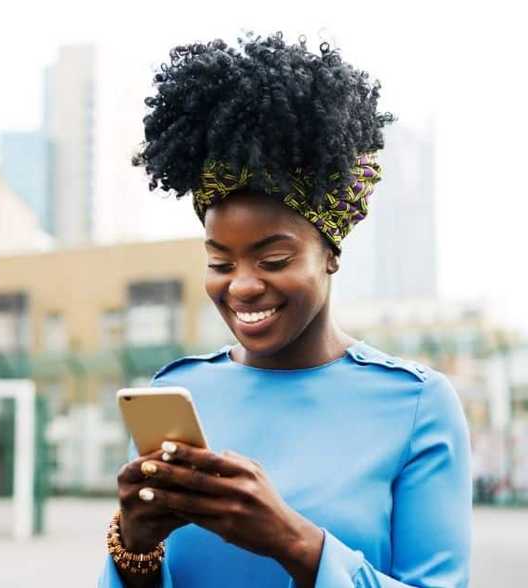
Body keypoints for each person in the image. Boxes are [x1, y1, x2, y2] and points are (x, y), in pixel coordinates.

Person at [100, 34, 470, 587]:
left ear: (331, 255)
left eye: (272, 258)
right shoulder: (180, 392)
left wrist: (293, 541)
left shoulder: (417, 405)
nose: (243, 286)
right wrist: (133, 545)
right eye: (220, 263)